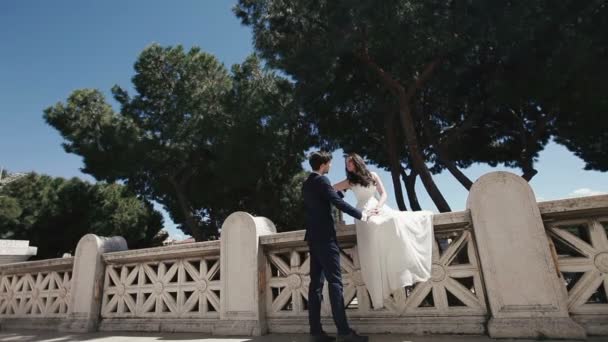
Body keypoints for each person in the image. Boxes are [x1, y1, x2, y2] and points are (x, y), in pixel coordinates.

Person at [333, 153, 434, 309]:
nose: (348, 166)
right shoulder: (350, 181)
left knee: (395, 220)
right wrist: (341, 194)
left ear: (358, 162)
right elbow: (331, 189)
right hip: (362, 212)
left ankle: (396, 267)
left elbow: (384, 193)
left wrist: (378, 206)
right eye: (346, 163)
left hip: (378, 206)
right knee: (374, 228)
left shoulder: (373, 175)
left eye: (350, 163)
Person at [302, 151, 375, 342]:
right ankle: (344, 332)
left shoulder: (307, 183)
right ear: (324, 164)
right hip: (326, 239)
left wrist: (341, 191)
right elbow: (336, 202)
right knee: (335, 283)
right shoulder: (322, 180)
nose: (331, 167)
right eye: (330, 163)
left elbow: (324, 200)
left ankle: (316, 333)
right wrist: (362, 215)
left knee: (315, 287)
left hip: (313, 238)